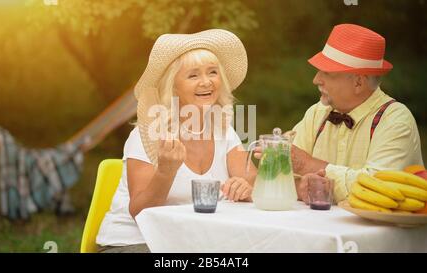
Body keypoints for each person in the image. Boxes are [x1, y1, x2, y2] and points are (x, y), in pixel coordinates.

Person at [96, 29, 256, 253]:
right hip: (134, 244)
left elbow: (252, 181)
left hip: (192, 244)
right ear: (173, 86)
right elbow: (140, 212)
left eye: (212, 72)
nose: (206, 82)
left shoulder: (224, 130)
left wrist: (246, 188)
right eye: (193, 75)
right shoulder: (149, 134)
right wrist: (165, 171)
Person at [256, 24, 423, 204]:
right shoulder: (317, 112)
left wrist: (306, 165)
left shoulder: (396, 120)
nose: (316, 80)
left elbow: (379, 188)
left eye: (326, 73)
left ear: (358, 82)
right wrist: (300, 186)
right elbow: (280, 176)